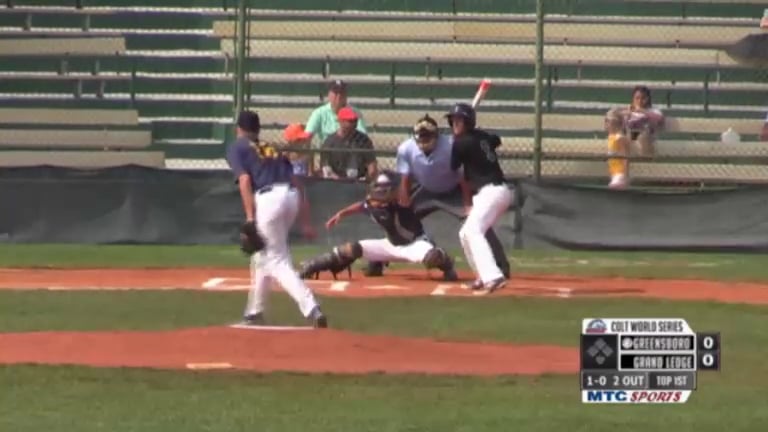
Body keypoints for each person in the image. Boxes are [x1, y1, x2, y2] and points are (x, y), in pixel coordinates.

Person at [362, 114, 510, 278]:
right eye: (421, 136)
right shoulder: (406, 149)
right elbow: (405, 175)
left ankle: (499, 265)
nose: (424, 139)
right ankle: (377, 262)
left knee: (476, 222)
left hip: (454, 191)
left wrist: (468, 203)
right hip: (426, 190)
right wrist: (404, 198)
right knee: (398, 219)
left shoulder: (451, 146)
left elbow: (463, 175)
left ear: (437, 135)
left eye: (428, 135)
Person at [225, 110, 328, 328]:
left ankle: (311, 307)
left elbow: (244, 180)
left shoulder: (238, 146)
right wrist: (306, 221)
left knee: (277, 260)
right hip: (291, 196)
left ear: (239, 129)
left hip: (269, 198)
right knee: (263, 255)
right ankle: (254, 312)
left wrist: (250, 218)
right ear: (258, 130)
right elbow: (298, 183)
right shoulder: (269, 148)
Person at [296, 171, 459, 282]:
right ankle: (313, 266)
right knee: (352, 249)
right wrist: (342, 214)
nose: (380, 196)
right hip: (390, 245)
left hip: (414, 244)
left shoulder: (402, 204)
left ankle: (447, 264)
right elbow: (361, 206)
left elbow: (413, 191)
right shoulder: (372, 204)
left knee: (432, 257)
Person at [448, 103, 512, 294]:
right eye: (454, 120)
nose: (455, 124)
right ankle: (481, 276)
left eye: (459, 120)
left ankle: (493, 276)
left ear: (468, 122)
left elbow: (453, 165)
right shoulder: (482, 136)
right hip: (494, 192)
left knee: (474, 230)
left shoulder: (461, 142)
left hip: (492, 192)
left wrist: (455, 142)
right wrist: (464, 138)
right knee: (465, 233)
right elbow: (496, 140)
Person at [305, 79, 368, 172]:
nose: (338, 97)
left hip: (350, 156)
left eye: (342, 93)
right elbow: (307, 137)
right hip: (328, 157)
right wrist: (311, 168)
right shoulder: (319, 113)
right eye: (335, 93)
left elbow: (363, 136)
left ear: (346, 96)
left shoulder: (355, 112)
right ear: (329, 95)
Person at [319, 106, 377, 181]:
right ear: (340, 121)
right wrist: (339, 181)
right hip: (335, 183)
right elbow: (325, 167)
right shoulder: (330, 142)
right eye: (350, 121)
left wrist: (366, 179)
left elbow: (372, 167)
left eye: (355, 120)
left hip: (359, 182)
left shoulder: (364, 140)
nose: (354, 124)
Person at [622, 85, 665, 157]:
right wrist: (627, 116)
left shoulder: (653, 111)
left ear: (648, 99)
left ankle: (646, 162)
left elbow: (660, 119)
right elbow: (621, 125)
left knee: (643, 137)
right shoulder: (629, 111)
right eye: (637, 98)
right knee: (622, 138)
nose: (640, 101)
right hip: (631, 137)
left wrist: (642, 111)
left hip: (648, 138)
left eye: (643, 98)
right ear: (633, 99)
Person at [605, 108, 631, 189]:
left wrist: (625, 175)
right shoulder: (611, 137)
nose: (606, 125)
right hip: (614, 173)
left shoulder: (620, 138)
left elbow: (625, 158)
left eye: (608, 122)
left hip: (620, 174)